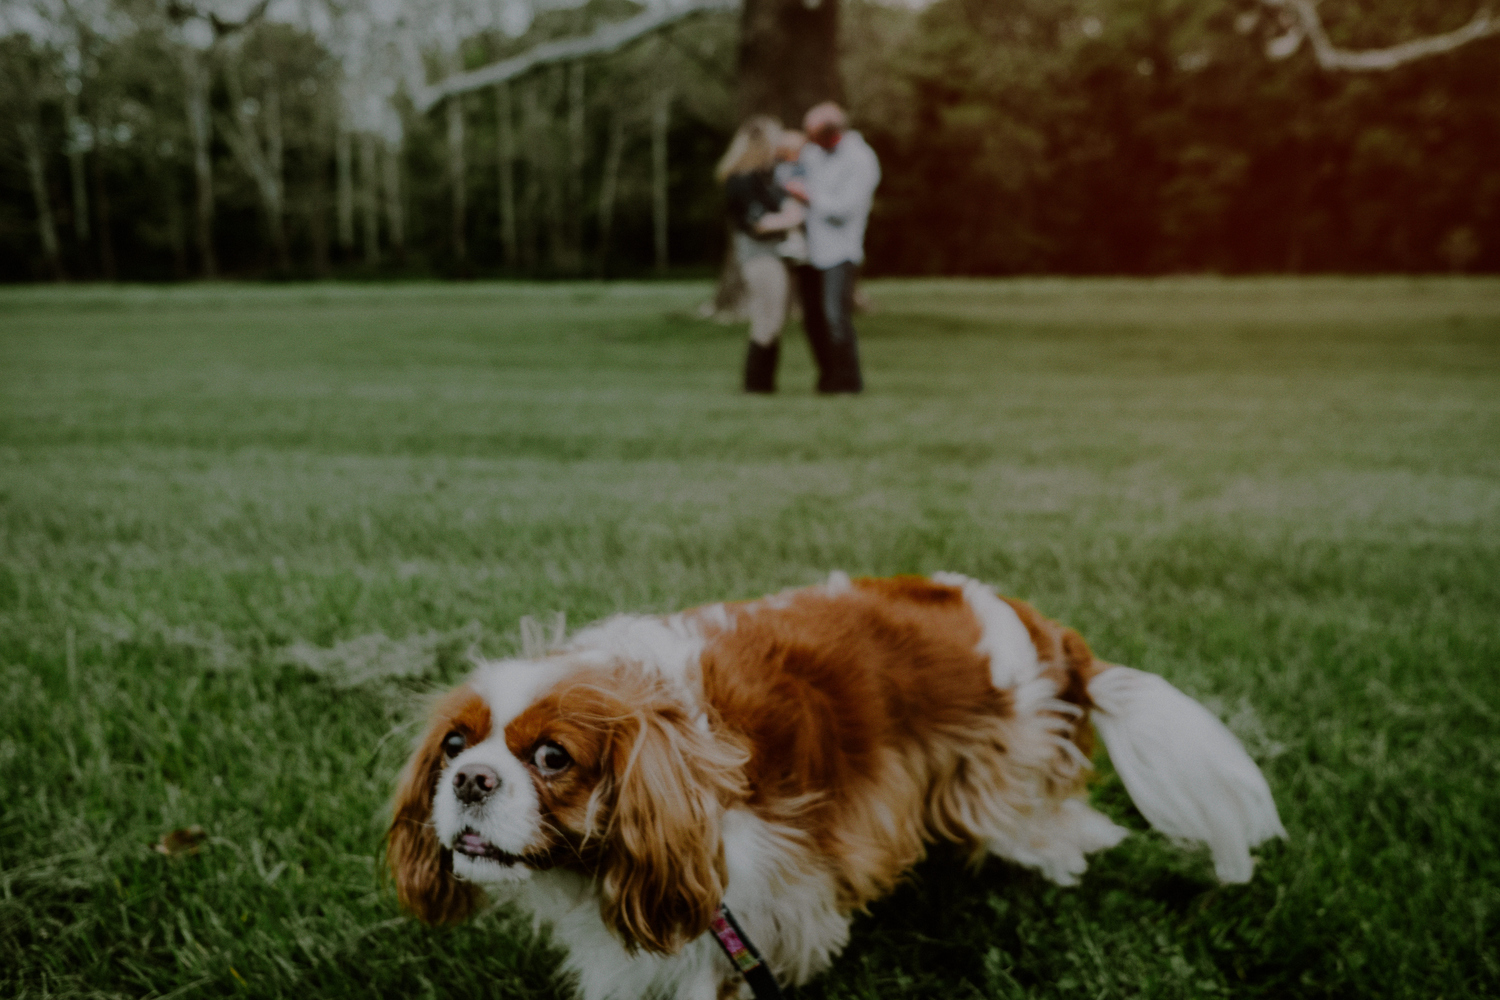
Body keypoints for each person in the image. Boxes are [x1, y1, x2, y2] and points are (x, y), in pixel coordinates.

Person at [783, 102, 881, 394]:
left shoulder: (861, 160)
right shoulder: (814, 154)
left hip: (840, 250)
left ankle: (848, 380)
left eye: (813, 136)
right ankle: (826, 377)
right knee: (812, 319)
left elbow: (845, 209)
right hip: (809, 249)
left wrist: (808, 196)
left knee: (834, 316)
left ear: (832, 134)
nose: (810, 143)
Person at [715, 117, 807, 393]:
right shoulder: (740, 181)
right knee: (767, 319)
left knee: (774, 318)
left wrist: (789, 211)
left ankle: (765, 384)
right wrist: (790, 219)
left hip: (772, 255)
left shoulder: (764, 177)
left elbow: (785, 204)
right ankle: (756, 384)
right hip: (759, 256)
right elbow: (759, 223)